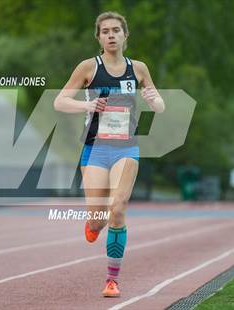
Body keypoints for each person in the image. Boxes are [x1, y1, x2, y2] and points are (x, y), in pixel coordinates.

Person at [54, 11, 165, 297]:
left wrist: (155, 101)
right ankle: (92, 225)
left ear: (125, 35)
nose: (111, 35)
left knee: (118, 208)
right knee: (99, 218)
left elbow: (159, 103)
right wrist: (87, 107)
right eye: (106, 31)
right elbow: (60, 101)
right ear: (99, 37)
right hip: (95, 150)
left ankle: (112, 280)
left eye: (116, 30)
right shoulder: (88, 67)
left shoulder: (138, 68)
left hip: (126, 147)